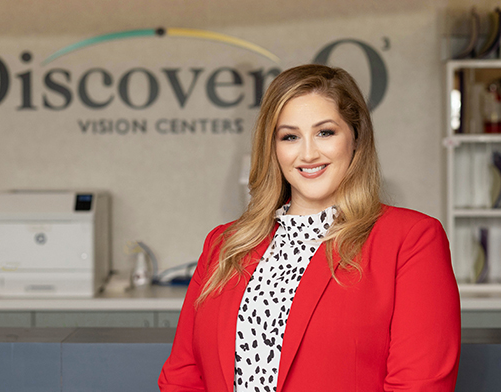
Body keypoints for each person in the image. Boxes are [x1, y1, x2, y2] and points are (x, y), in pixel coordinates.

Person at [158, 64, 461, 391]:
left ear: (356, 138)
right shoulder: (224, 244)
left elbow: (419, 384)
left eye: (325, 132)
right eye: (290, 136)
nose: (308, 153)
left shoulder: (411, 240)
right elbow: (182, 375)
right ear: (273, 148)